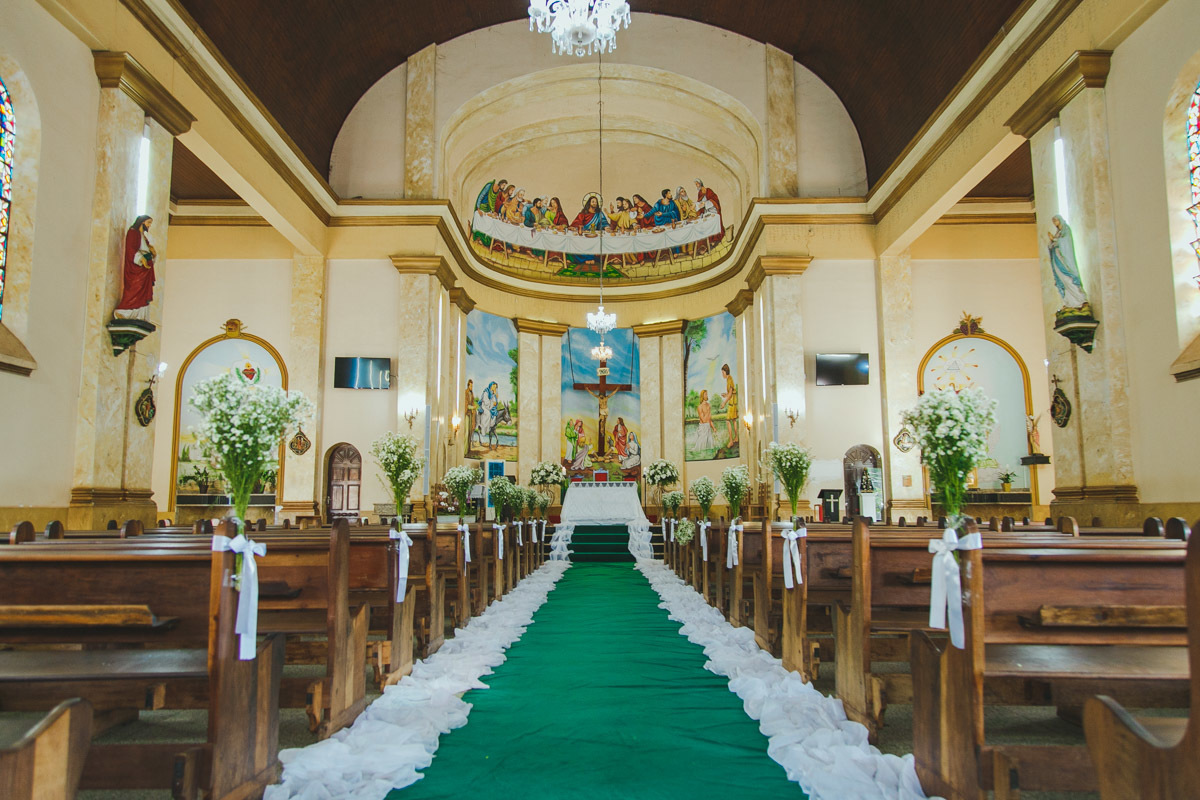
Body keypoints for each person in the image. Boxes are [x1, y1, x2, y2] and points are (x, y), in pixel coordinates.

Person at [114, 215, 157, 321]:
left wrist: (153, 255)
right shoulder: (133, 232)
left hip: (145, 269)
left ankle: (139, 313)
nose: (149, 225)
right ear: (142, 222)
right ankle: (127, 310)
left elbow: (147, 251)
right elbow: (130, 250)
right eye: (148, 223)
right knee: (134, 287)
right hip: (136, 268)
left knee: (143, 290)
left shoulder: (143, 236)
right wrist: (141, 258)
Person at [1047, 215, 1089, 309]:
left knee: (1068, 278)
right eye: (1053, 221)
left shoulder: (1066, 230)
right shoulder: (1058, 233)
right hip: (1056, 257)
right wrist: (1051, 243)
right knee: (1062, 279)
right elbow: (1053, 245)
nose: (1055, 223)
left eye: (1056, 221)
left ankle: (1081, 300)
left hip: (1063, 259)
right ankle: (1070, 302)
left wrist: (1053, 239)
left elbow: (1065, 242)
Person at [694, 179, 725, 244]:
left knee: (712, 222)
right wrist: (698, 205)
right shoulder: (700, 193)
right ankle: (709, 240)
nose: (696, 185)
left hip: (713, 210)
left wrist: (705, 204)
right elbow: (699, 202)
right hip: (706, 212)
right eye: (696, 184)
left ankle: (716, 239)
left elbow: (714, 200)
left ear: (700, 183)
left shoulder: (709, 190)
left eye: (697, 184)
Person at [720, 363, 738, 446]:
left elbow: (730, 394)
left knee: (728, 421)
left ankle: (731, 441)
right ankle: (736, 437)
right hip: (733, 401)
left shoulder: (730, 379)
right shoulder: (729, 379)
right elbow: (730, 393)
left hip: (732, 403)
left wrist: (724, 402)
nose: (722, 374)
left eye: (722, 372)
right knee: (734, 420)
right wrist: (725, 394)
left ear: (725, 372)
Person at [464, 379, 477, 449]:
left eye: (472, 386)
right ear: (468, 386)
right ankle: (465, 450)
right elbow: (466, 405)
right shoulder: (465, 393)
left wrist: (473, 407)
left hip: (470, 415)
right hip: (466, 414)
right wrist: (473, 407)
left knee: (469, 432)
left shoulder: (472, 394)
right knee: (466, 433)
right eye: (471, 386)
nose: (472, 387)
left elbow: (472, 402)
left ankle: (468, 450)